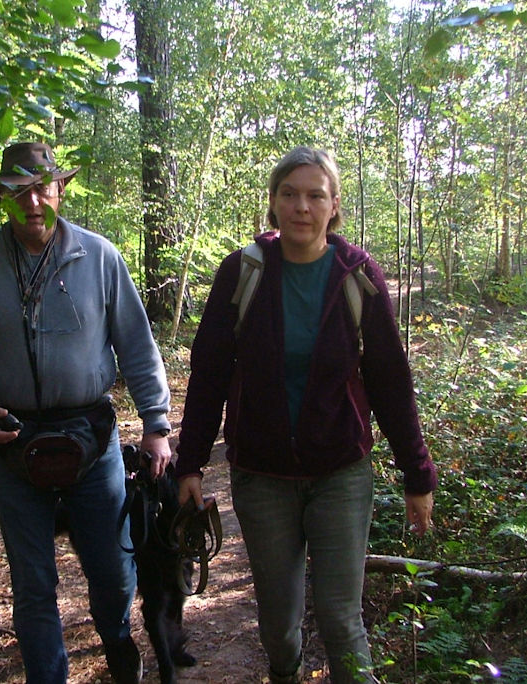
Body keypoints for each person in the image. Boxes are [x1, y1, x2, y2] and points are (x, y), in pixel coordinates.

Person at [174, 146, 437, 684]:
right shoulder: (242, 272)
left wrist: (418, 473)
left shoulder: (356, 275)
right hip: (263, 476)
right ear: (273, 203)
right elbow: (209, 375)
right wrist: (190, 464)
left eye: (315, 195)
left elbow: (390, 381)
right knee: (279, 627)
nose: (301, 206)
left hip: (340, 472)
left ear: (334, 205)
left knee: (342, 623)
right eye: (289, 194)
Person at [0, 142, 173, 684]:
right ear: (2, 198)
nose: (32, 202)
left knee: (112, 574)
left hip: (93, 438)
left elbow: (137, 346)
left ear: (60, 190)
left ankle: (119, 652)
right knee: (33, 583)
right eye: (18, 192)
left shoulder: (100, 256)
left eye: (43, 188)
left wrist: (156, 425)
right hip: (14, 442)